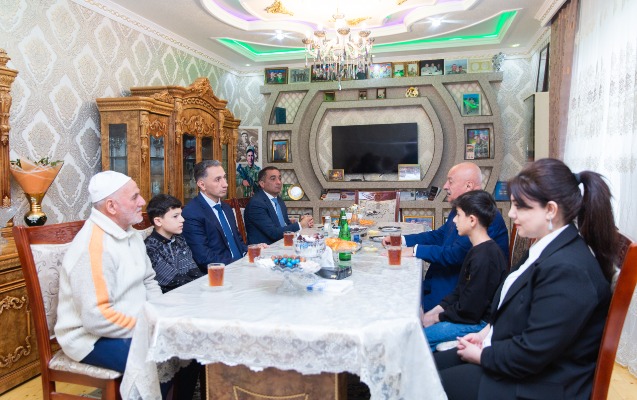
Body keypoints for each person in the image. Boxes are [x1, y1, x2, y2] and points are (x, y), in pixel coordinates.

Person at [435, 158, 616, 400]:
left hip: (538, 385)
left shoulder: (569, 269)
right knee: (426, 367)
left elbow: (532, 353)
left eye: (520, 207)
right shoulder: (545, 247)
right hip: (513, 357)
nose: (511, 214)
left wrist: (482, 355)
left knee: (426, 386)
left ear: (550, 210)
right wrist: (485, 335)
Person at [55, 171, 162, 373]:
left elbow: (149, 280)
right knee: (158, 357)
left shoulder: (131, 233)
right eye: (134, 197)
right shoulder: (93, 246)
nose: (142, 201)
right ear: (111, 206)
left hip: (132, 324)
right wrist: (148, 326)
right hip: (91, 338)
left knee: (185, 347)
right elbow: (97, 318)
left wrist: (160, 314)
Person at [382, 162, 509, 311]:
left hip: (457, 294)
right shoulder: (463, 207)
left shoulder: (482, 215)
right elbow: (440, 235)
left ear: (468, 186)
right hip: (441, 280)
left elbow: (455, 254)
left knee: (397, 306)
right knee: (394, 292)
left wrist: (415, 250)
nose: (445, 186)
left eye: (450, 181)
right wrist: (401, 240)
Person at [421, 190, 506, 352]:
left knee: (418, 338)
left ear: (472, 220)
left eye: (458, 215)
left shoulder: (485, 257)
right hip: (468, 316)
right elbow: (459, 291)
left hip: (478, 324)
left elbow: (470, 311)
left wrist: (436, 318)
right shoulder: (476, 250)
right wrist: (435, 310)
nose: (454, 220)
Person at [182, 160, 248, 271]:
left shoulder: (226, 208)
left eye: (224, 178)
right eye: (217, 179)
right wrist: (238, 265)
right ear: (202, 185)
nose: (225, 184)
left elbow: (238, 241)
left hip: (242, 266)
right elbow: (204, 257)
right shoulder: (192, 213)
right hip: (220, 273)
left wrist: (250, 251)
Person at [144, 193, 204, 293]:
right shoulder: (150, 248)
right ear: (158, 221)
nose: (182, 219)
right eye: (175, 216)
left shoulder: (179, 239)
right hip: (169, 298)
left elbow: (194, 271)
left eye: (181, 215)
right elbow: (174, 281)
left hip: (190, 292)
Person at [244, 166, 314, 245]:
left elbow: (285, 225)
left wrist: (304, 223)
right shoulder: (256, 204)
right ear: (262, 183)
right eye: (273, 179)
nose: (279, 182)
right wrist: (300, 225)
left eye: (279, 178)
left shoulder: (279, 200)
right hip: (265, 249)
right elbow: (274, 233)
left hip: (283, 244)